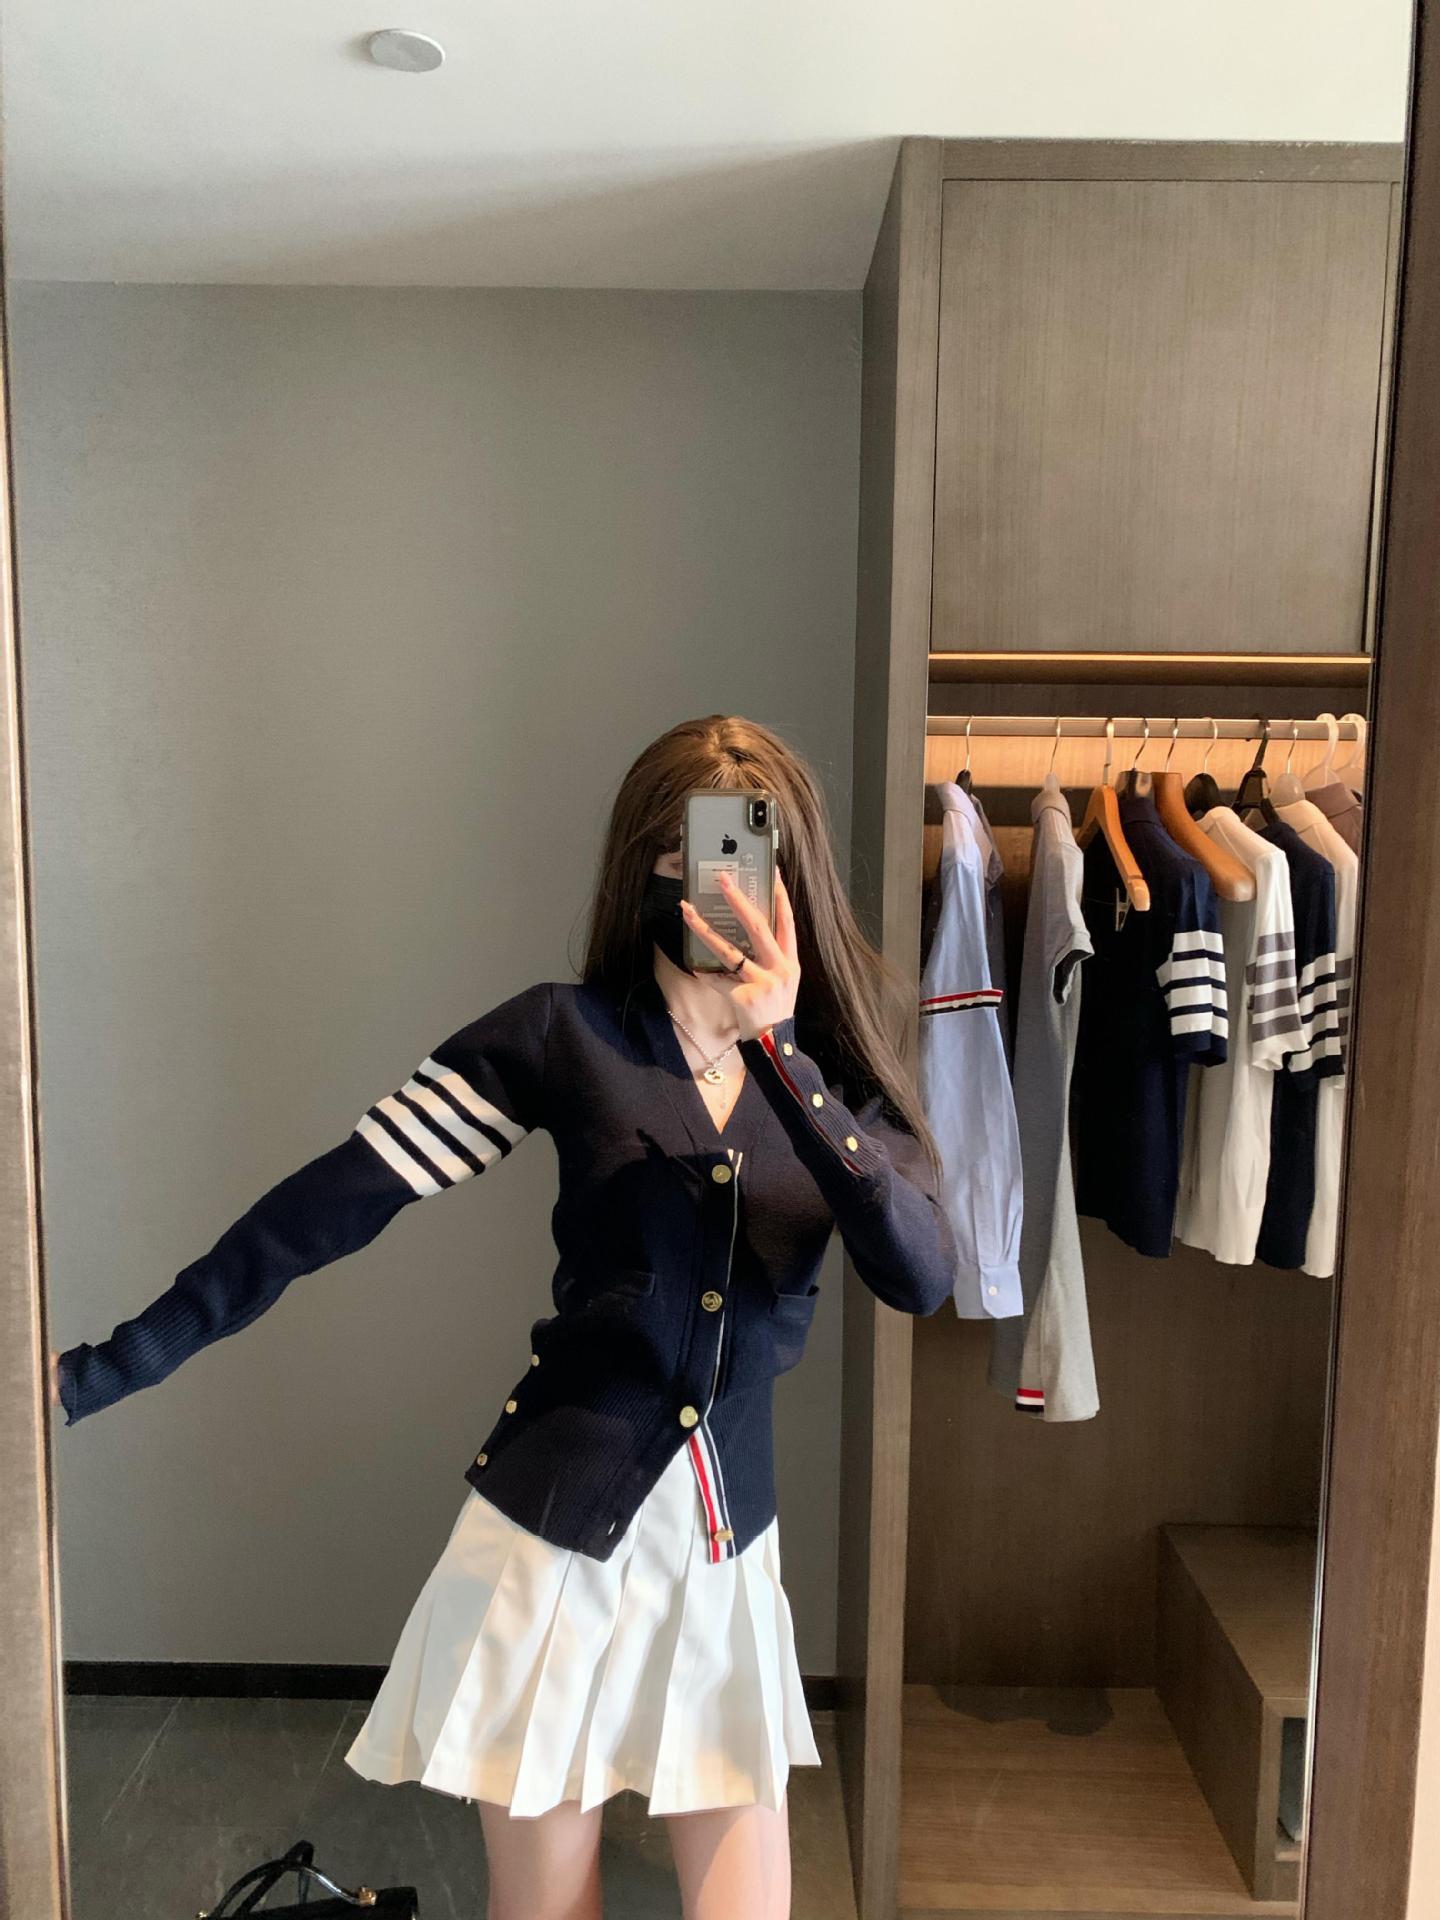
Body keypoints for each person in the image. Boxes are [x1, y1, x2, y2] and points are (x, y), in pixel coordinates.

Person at [49, 714, 958, 1920]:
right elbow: (326, 1209)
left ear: (796, 876)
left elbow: (920, 1275)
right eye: (694, 854)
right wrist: (102, 1370)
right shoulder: (563, 1036)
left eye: (752, 855)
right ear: (647, 866)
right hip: (548, 1551)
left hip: (727, 1560)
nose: (724, 886)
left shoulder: (835, 1074)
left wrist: (782, 1056)